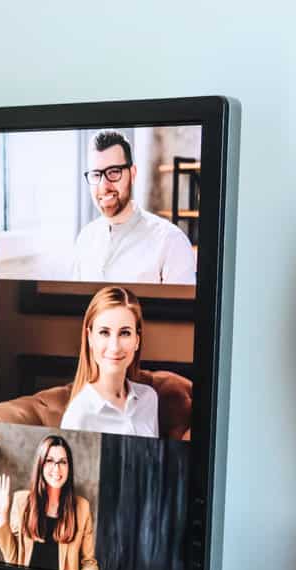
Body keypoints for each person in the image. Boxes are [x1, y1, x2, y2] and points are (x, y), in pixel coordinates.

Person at [71, 130, 196, 284]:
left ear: (133, 174)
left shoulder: (171, 242)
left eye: (114, 172)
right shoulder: (85, 239)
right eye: (96, 174)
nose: (104, 185)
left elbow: (183, 308)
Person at [59, 286, 161, 437]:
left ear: (137, 340)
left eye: (125, 333)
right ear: (90, 338)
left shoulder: (149, 398)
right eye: (104, 332)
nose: (115, 347)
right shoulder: (78, 416)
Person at [0, 435, 100, 570]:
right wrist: (2, 517)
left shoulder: (82, 507)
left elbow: (88, 562)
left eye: (62, 462)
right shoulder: (21, 501)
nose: (56, 468)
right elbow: (13, 561)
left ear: (69, 467)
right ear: (40, 464)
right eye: (50, 461)